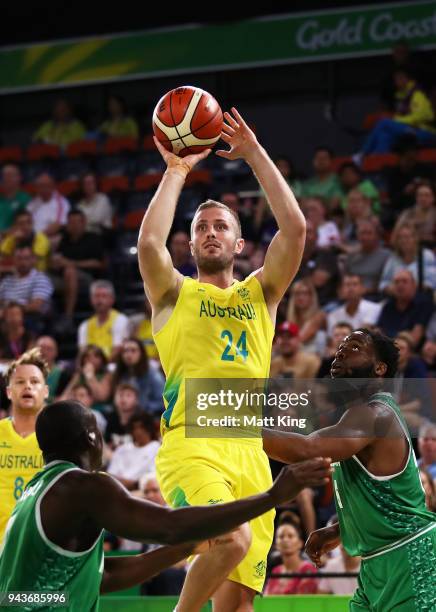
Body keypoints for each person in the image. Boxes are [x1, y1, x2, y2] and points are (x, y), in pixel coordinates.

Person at [138, 107, 307, 611]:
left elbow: (295, 230)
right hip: (192, 447)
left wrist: (254, 153)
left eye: (221, 226)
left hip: (249, 455)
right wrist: (176, 171)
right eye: (201, 227)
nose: (210, 232)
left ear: (239, 242)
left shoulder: (262, 294)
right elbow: (149, 242)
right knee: (230, 541)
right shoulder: (172, 293)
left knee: (237, 608)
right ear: (189, 244)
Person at [0, 399, 331, 610]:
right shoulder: (84, 486)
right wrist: (274, 495)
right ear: (91, 439)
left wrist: (184, 549)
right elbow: (169, 525)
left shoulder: (32, 494)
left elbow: (101, 576)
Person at [263, 328, 436, 611]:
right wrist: (338, 531)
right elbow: (386, 500)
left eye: (355, 346)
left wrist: (233, 428)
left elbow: (306, 450)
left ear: (380, 368)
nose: (342, 350)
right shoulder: (357, 417)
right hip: (377, 561)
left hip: (411, 555)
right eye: (341, 345)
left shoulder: (375, 414)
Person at [0, 348, 48, 542]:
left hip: (42, 545)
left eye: (34, 382)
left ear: (45, 391)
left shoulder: (60, 438)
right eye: (20, 382)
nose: (27, 386)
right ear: (9, 392)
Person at [264, 512, 318, 595]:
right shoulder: (276, 571)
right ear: (276, 545)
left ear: (300, 543)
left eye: (290, 536)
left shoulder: (308, 570)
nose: (285, 540)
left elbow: (301, 602)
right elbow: (266, 599)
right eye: (281, 536)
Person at [377, 269, 434, 347]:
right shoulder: (388, 305)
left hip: (409, 352)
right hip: (387, 350)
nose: (400, 285)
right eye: (396, 282)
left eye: (404, 281)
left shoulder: (424, 304)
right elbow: (379, 331)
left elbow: (415, 338)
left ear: (414, 285)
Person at [107, 412, 160, 491]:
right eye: (135, 428)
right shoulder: (122, 449)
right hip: (117, 489)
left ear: (149, 428)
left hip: (143, 490)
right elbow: (111, 475)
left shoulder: (157, 448)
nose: (138, 431)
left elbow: (154, 476)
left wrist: (135, 484)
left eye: (141, 427)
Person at [111, 338, 165, 415]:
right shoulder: (120, 374)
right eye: (125, 351)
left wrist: (141, 408)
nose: (129, 354)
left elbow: (163, 402)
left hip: (148, 417)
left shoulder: (153, 375)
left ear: (141, 353)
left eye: (133, 350)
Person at [0, 245, 53, 323]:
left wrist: (9, 310)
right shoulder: (7, 280)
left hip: (28, 318)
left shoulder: (40, 279)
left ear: (33, 260)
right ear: (14, 260)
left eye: (26, 258)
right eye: (19, 259)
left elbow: (36, 306)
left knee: (14, 314)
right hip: (4, 318)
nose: (23, 262)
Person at [78, 280, 129, 360]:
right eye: (96, 296)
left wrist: (101, 365)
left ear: (112, 299)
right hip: (90, 366)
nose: (100, 300)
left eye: (104, 296)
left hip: (113, 365)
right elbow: (82, 352)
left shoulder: (121, 320)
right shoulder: (85, 325)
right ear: (91, 299)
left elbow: (118, 350)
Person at [379, 222, 436, 292]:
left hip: (420, 297)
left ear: (415, 239)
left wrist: (412, 287)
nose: (404, 241)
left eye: (407, 237)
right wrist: (391, 289)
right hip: (397, 297)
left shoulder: (426, 256)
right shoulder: (393, 259)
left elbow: (433, 282)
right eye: (400, 238)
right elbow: (383, 284)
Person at [343, 218, 390, 295]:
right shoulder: (351, 255)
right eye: (362, 233)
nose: (365, 237)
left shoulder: (386, 256)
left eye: (369, 233)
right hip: (351, 295)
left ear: (377, 236)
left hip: (374, 297)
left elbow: (385, 283)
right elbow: (345, 278)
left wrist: (367, 290)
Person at [285, 280, 326, 355]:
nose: (301, 297)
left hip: (314, 356)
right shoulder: (291, 318)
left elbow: (299, 339)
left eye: (305, 293)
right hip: (295, 355)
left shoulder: (319, 316)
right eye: (297, 294)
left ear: (311, 297)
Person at [27, 173, 70, 239]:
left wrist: (38, 238)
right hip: (32, 237)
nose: (43, 189)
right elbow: (26, 221)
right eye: (40, 186)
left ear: (52, 186)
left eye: (46, 186)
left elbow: (58, 225)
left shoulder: (61, 202)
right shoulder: (32, 203)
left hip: (50, 237)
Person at [394, 180, 436, 245]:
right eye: (420, 195)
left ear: (433, 198)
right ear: (416, 198)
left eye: (427, 195)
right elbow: (394, 238)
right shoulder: (407, 213)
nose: (423, 199)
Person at [0, 165, 31, 234]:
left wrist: (4, 233)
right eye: (4, 176)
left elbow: (26, 224)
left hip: (14, 237)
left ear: (19, 178)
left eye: (10, 176)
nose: (7, 179)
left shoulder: (25, 199)